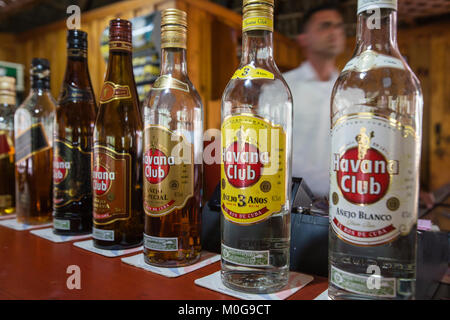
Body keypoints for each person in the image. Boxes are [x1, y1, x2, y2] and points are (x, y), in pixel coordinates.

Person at [283, 3, 345, 198]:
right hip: (292, 204)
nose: (334, 31)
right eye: (325, 26)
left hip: (342, 202)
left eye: (338, 26)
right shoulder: (282, 87)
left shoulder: (352, 89)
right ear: (303, 38)